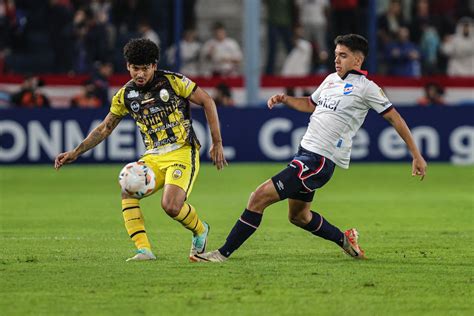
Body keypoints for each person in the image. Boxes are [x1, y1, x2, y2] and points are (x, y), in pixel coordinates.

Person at [191, 34, 427, 263]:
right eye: (336, 54)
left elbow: (395, 118)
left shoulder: (367, 88)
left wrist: (416, 155)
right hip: (305, 154)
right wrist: (286, 99)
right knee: (299, 217)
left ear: (358, 60)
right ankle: (345, 240)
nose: (336, 60)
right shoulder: (330, 80)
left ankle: (221, 254)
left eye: (343, 55)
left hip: (320, 160)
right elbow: (310, 104)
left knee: (258, 198)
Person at [54, 38, 227, 262]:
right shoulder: (125, 95)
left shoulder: (173, 82)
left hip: (182, 151)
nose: (140, 74)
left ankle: (200, 230)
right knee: (128, 188)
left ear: (154, 65)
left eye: (145, 68)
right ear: (128, 66)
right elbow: (106, 127)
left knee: (171, 206)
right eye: (135, 68)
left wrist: (217, 141)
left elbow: (207, 101)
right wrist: (75, 152)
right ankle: (144, 250)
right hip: (153, 156)